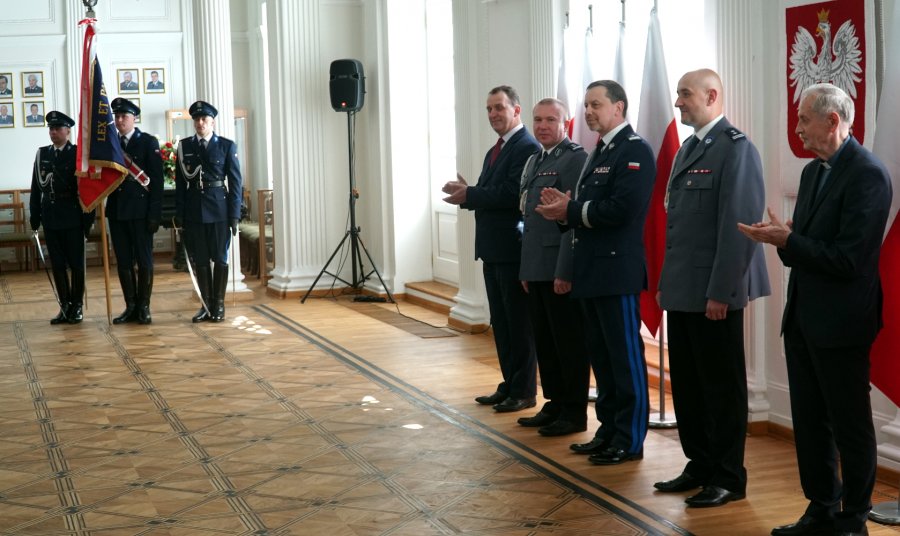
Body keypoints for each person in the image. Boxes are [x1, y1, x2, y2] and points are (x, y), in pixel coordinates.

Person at [739, 83, 891, 536]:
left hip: (843, 321)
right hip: (804, 317)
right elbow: (803, 250)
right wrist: (782, 238)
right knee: (809, 422)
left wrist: (790, 240)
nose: (798, 128)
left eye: (804, 119)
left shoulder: (868, 174)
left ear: (832, 120)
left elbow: (849, 260)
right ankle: (821, 508)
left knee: (849, 425)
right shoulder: (812, 173)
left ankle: (853, 518)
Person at [654, 68, 770, 508]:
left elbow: (737, 228)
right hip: (684, 288)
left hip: (713, 293)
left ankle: (728, 476)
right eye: (678, 94)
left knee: (721, 387)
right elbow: (678, 230)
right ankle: (700, 463)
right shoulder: (690, 148)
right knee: (688, 385)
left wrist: (721, 291)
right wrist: (666, 284)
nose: (678, 102)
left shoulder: (735, 148)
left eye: (685, 94)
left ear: (711, 95)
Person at [536, 80, 655, 465]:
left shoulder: (634, 150)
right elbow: (585, 209)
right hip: (591, 269)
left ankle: (629, 439)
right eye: (586, 105)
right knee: (602, 359)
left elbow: (623, 210)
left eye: (596, 104)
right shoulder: (599, 150)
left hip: (616, 271)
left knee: (624, 359)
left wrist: (570, 210)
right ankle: (608, 431)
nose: (588, 112)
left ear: (618, 107)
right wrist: (563, 210)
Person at [442, 85, 540, 413]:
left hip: (513, 250)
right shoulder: (495, 150)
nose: (493, 114)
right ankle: (509, 384)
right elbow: (492, 192)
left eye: (499, 107)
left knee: (518, 325)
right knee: (501, 322)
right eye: (489, 109)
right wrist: (467, 191)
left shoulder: (526, 147)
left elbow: (512, 195)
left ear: (516, 110)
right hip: (494, 249)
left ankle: (524, 390)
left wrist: (470, 194)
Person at [516, 98, 589, 435]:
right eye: (538, 120)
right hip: (536, 265)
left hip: (557, 267)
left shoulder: (575, 159)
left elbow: (571, 218)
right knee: (545, 341)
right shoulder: (535, 160)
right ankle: (555, 402)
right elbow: (528, 220)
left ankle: (573, 411)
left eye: (550, 120)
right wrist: (526, 269)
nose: (542, 126)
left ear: (566, 124)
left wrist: (565, 269)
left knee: (568, 342)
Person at [175, 100, 243, 323]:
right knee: (201, 260)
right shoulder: (185, 147)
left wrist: (234, 215)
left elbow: (235, 183)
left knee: (220, 259)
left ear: (212, 121)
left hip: (219, 211)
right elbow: (180, 184)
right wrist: (180, 215)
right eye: (196, 119)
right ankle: (206, 305)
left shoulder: (226, 146)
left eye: (204, 119)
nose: (200, 123)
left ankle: (219, 305)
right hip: (194, 211)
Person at [29, 111, 95, 324]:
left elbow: (88, 190)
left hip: (73, 216)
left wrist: (88, 220)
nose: (53, 132)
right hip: (50, 216)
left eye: (57, 128)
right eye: (51, 128)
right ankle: (65, 306)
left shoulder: (77, 154)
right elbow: (36, 188)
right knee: (57, 265)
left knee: (76, 264)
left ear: (68, 131)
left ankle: (77, 306)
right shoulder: (42, 154)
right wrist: (35, 217)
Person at [108, 98, 163, 325]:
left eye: (124, 116)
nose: (120, 120)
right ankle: (130, 306)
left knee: (144, 261)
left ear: (134, 118)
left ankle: (144, 307)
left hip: (141, 213)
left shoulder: (148, 142)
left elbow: (157, 182)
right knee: (123, 261)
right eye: (117, 116)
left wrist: (154, 215)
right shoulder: (109, 143)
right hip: (117, 212)